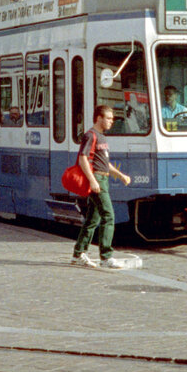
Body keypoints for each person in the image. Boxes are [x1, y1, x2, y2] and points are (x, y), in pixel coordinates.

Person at [71, 104, 132, 269]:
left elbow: (105, 163)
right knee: (109, 216)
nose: (112, 121)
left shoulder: (102, 137)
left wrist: (120, 175)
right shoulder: (90, 135)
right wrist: (92, 180)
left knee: (93, 218)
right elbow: (83, 158)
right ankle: (106, 256)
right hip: (97, 179)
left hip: (102, 179)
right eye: (109, 118)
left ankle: (78, 253)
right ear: (99, 118)